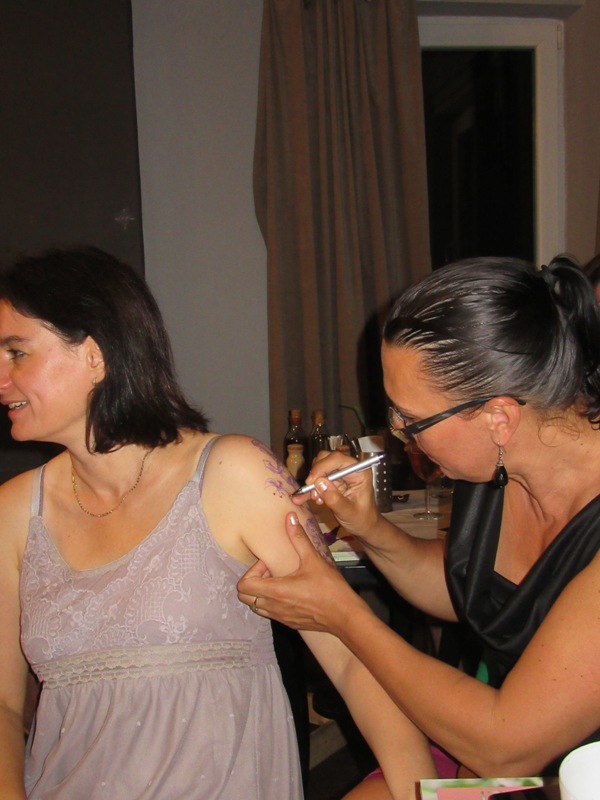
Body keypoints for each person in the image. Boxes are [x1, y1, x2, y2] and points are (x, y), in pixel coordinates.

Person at [0, 247, 434, 799]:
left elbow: (353, 658)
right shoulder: (15, 511)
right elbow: (4, 703)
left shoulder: (231, 474)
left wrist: (419, 791)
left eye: (16, 352)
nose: (1, 376)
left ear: (94, 355)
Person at [238, 256, 600, 799]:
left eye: (412, 419)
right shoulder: (498, 466)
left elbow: (505, 743)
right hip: (500, 759)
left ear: (499, 417)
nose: (400, 434)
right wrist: (369, 528)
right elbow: (466, 590)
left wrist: (341, 614)